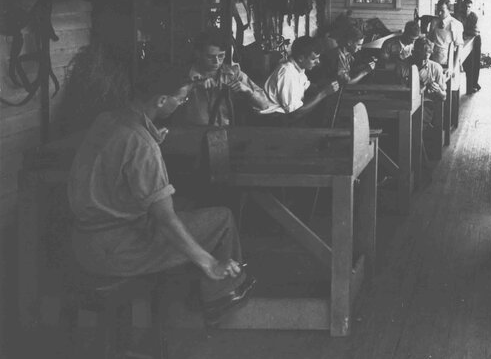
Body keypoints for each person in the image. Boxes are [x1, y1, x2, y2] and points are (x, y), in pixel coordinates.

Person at [66, 65, 254, 326]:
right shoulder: (142, 145)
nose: (182, 103)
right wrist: (209, 263)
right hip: (117, 251)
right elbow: (165, 219)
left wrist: (150, 139)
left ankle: (196, 296)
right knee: (222, 218)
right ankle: (221, 296)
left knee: (189, 206)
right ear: (162, 100)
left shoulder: (107, 119)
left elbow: (119, 155)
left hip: (84, 242)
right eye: (181, 98)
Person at [170, 27, 271, 127]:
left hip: (226, 132)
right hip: (192, 134)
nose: (217, 62)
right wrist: (192, 86)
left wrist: (248, 91)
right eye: (210, 57)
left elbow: (264, 105)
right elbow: (166, 108)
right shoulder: (183, 74)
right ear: (198, 54)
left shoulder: (233, 74)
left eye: (221, 56)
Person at [259, 36, 339, 122]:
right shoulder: (287, 73)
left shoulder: (298, 68)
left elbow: (306, 86)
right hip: (273, 119)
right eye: (313, 59)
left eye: (318, 58)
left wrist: (325, 85)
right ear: (301, 58)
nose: (318, 62)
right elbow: (296, 113)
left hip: (285, 115)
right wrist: (324, 93)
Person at [459, 0, 481, 93]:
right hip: (466, 40)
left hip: (475, 40)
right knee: (468, 64)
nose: (467, 9)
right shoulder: (460, 16)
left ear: (471, 8)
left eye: (469, 7)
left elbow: (475, 32)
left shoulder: (474, 16)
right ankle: (470, 86)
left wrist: (464, 31)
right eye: (465, 6)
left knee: (475, 63)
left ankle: (474, 84)